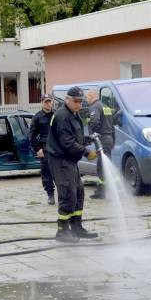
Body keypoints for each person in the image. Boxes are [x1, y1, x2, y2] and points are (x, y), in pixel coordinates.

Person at [45, 86, 98, 242]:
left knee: (78, 193)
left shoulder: (73, 114)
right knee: (67, 194)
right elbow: (67, 142)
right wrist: (87, 152)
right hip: (60, 160)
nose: (79, 105)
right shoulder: (62, 116)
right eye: (76, 101)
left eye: (81, 102)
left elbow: (75, 137)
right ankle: (62, 230)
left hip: (70, 160)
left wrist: (88, 139)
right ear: (67, 99)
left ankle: (76, 227)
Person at [86, 89, 114, 199]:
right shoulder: (105, 106)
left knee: (101, 167)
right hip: (109, 138)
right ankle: (101, 190)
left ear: (92, 96)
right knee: (103, 165)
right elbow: (112, 124)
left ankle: (102, 192)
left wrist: (92, 135)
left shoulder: (94, 107)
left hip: (101, 139)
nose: (86, 100)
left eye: (87, 97)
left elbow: (94, 122)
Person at [29, 93, 55, 205]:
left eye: (50, 101)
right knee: (46, 173)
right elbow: (32, 135)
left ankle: (65, 194)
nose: (48, 104)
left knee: (60, 172)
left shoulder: (56, 115)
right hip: (44, 148)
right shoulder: (37, 117)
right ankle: (50, 195)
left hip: (57, 147)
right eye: (46, 102)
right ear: (42, 103)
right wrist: (37, 149)